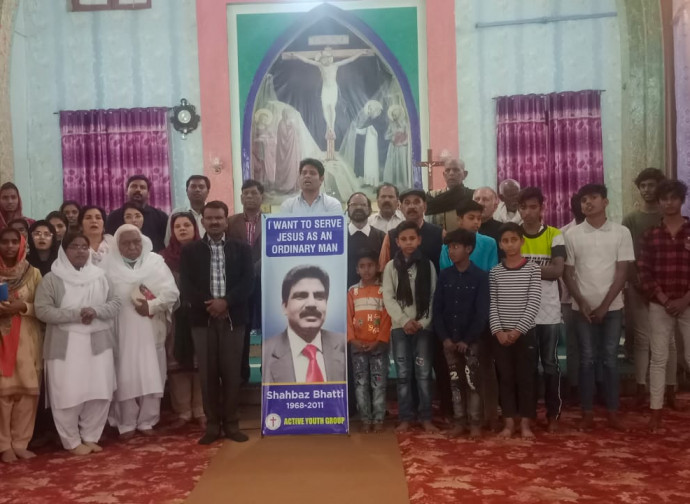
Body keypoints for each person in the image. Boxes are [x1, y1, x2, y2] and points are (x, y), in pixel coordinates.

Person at [34, 233, 120, 455]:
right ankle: (71, 441)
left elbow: (115, 303)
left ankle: (91, 436)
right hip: (65, 346)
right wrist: (76, 314)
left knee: (99, 390)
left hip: (98, 344)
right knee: (67, 393)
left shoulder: (100, 276)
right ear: (64, 251)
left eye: (84, 246)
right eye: (74, 246)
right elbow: (42, 310)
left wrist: (96, 311)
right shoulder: (51, 279)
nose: (80, 251)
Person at [180, 201, 254, 445]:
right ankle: (212, 426)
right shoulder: (190, 251)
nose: (214, 222)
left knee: (232, 374)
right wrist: (211, 305)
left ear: (226, 221)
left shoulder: (242, 249)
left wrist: (226, 302)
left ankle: (232, 424)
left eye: (219, 218)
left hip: (233, 319)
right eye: (209, 218)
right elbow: (186, 285)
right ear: (202, 221)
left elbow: (248, 282)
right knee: (208, 375)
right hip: (203, 321)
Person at [564, 184, 634, 431]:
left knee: (610, 360)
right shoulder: (571, 234)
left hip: (612, 308)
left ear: (605, 202)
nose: (588, 203)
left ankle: (613, 412)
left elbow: (622, 272)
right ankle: (587, 412)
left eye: (593, 197)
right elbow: (568, 273)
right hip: (581, 309)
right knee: (587, 359)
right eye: (584, 199)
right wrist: (582, 302)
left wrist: (605, 305)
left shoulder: (621, 232)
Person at [104, 225, 178, 438]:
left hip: (151, 326)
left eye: (136, 242)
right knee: (124, 375)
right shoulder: (107, 266)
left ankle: (147, 420)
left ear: (143, 241)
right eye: (125, 243)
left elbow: (171, 292)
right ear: (117, 246)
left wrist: (152, 306)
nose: (132, 247)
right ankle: (126, 422)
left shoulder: (155, 263)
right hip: (121, 330)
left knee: (152, 373)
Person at [637, 179, 690, 431]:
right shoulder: (651, 235)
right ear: (659, 203)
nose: (669, 203)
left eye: (673, 198)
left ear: (682, 200)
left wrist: (685, 299)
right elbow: (644, 272)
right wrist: (665, 299)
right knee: (658, 358)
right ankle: (656, 412)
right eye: (664, 199)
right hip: (660, 305)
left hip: (688, 302)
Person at [621, 168, 673, 406]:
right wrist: (637, 282)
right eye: (643, 186)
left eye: (651, 185)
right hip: (638, 284)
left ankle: (670, 387)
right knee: (642, 337)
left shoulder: (668, 217)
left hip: (667, 286)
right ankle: (641, 387)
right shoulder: (631, 219)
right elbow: (627, 256)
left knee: (668, 340)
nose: (647, 190)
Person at [518, 187, 566, 431]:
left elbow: (557, 270)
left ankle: (553, 414)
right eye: (523, 207)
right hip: (520, 311)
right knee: (526, 367)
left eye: (533, 207)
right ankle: (527, 415)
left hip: (549, 310)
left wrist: (522, 269)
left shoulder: (554, 234)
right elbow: (507, 269)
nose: (528, 212)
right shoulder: (513, 235)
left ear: (542, 208)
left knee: (549, 364)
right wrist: (539, 271)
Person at [433, 229, 489, 439]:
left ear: (469, 249)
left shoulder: (480, 276)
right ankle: (459, 420)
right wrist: (445, 338)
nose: (451, 251)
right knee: (455, 382)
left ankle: (475, 422)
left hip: (471, 341)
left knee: (473, 383)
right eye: (449, 247)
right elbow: (437, 310)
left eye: (455, 247)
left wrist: (467, 339)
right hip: (449, 340)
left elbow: (481, 313)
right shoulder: (445, 275)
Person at [382, 221, 438, 433]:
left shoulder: (428, 265)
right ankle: (405, 417)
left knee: (423, 374)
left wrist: (422, 323)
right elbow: (388, 297)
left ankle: (426, 417)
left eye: (412, 238)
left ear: (419, 240)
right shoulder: (391, 267)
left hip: (424, 328)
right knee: (403, 375)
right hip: (399, 328)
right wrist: (404, 320)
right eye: (404, 239)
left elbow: (433, 297)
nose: (408, 243)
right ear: (397, 242)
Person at [489, 223, 541, 439]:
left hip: (525, 334)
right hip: (501, 336)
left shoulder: (533, 269)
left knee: (526, 378)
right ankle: (509, 422)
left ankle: (526, 423)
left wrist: (518, 330)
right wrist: (498, 331)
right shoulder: (495, 272)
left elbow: (533, 302)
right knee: (506, 378)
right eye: (505, 241)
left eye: (513, 240)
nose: (510, 244)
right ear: (500, 245)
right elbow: (492, 304)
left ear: (522, 241)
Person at [0, 228, 42, 463]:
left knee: (27, 392)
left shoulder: (32, 273)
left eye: (14, 242)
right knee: (2, 393)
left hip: (27, 339)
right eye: (4, 242)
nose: (9, 246)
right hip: (2, 339)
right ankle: (3, 445)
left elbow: (44, 306)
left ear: (22, 244)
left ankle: (20, 443)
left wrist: (23, 307)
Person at [263, 265, 346, 383]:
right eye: (301, 296)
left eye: (319, 296)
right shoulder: (267, 351)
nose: (311, 304)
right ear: (284, 307)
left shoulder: (344, 345)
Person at [161, 213, 205, 430]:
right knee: (176, 360)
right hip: (175, 316)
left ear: (195, 228)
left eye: (187, 225)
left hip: (200, 313)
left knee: (201, 360)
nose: (182, 229)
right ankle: (183, 412)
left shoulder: (206, 252)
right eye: (177, 226)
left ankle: (201, 410)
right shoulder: (162, 258)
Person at [347, 250, 391, 433]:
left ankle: (378, 419)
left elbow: (387, 317)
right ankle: (365, 419)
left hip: (378, 346)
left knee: (379, 383)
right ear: (357, 269)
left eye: (370, 265)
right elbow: (348, 317)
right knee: (360, 383)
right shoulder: (352, 291)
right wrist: (352, 339)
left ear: (377, 267)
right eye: (362, 266)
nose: (366, 270)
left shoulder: (383, 291)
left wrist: (379, 340)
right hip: (357, 346)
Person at [227, 180, 264, 384]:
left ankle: (268, 371)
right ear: (241, 197)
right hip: (238, 283)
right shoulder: (230, 222)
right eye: (245, 193)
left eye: (253, 193)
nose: (249, 197)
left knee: (267, 325)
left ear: (262, 197)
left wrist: (255, 268)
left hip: (263, 281)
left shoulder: (270, 221)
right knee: (242, 327)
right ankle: (242, 374)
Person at [378, 188, 443, 273]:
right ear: (400, 208)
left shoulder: (439, 234)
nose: (412, 206)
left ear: (425, 206)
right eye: (407, 203)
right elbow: (383, 270)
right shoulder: (391, 236)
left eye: (416, 202)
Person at [561, 193, 585, 402]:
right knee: (573, 344)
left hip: (598, 297)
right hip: (569, 298)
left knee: (597, 345)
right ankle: (575, 385)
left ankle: (597, 384)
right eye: (578, 203)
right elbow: (562, 270)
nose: (582, 206)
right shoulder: (563, 233)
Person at [105, 175, 169, 252]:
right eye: (134, 186)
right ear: (126, 191)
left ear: (148, 193)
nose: (138, 189)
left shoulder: (161, 217)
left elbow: (167, 242)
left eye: (142, 187)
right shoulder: (113, 217)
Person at [439, 200, 499, 271]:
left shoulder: (489, 243)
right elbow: (445, 272)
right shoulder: (448, 244)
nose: (476, 222)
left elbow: (493, 272)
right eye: (471, 218)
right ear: (459, 220)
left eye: (479, 218)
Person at [347, 192, 385, 288]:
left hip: (376, 293)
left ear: (370, 210)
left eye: (363, 205)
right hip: (343, 293)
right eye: (354, 204)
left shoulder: (382, 237)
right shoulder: (338, 237)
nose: (358, 207)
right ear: (347, 209)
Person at [426, 158, 475, 231]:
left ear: (465, 174)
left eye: (456, 170)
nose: (451, 173)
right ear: (444, 175)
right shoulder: (432, 196)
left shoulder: (473, 196)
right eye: (447, 170)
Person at [164, 175, 209, 246]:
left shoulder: (214, 213)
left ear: (208, 192)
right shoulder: (176, 213)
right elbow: (169, 242)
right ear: (187, 191)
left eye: (201, 187)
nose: (197, 190)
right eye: (193, 186)